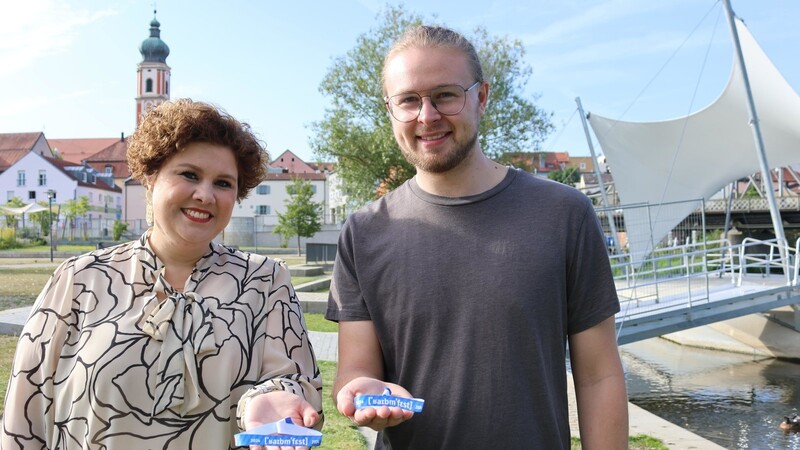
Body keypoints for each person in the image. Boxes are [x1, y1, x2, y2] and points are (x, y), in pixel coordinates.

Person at [326, 25, 628, 449]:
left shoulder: (564, 214)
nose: (427, 116)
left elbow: (600, 376)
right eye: (408, 100)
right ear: (390, 110)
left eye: (446, 94)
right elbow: (354, 371)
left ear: (482, 97)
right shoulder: (363, 232)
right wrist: (361, 393)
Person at [1, 99, 322, 449]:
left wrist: (266, 403)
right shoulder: (78, 280)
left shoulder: (265, 280)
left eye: (224, 183)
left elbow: (297, 382)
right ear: (151, 177)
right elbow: (24, 416)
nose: (205, 195)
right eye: (189, 175)